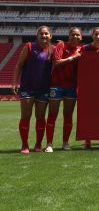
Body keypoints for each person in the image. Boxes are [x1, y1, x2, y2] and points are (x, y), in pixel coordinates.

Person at [12, 26, 54, 154]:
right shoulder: (29, 46)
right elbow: (19, 65)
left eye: (46, 34)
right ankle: (25, 144)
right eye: (41, 33)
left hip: (43, 88)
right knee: (26, 116)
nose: (44, 36)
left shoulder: (52, 50)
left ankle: (38, 144)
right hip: (27, 87)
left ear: (50, 36)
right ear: (37, 35)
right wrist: (14, 82)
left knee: (40, 117)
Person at [45, 27, 82, 153]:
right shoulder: (61, 45)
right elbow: (56, 63)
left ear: (81, 37)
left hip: (71, 87)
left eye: (77, 35)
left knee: (68, 116)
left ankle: (65, 142)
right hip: (56, 85)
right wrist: (73, 57)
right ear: (69, 36)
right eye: (73, 34)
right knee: (52, 115)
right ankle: (49, 143)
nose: (75, 37)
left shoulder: (81, 49)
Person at [80, 27, 99, 149]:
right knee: (88, 114)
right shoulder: (85, 48)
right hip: (88, 85)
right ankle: (88, 141)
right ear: (92, 35)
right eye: (96, 34)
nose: (98, 36)